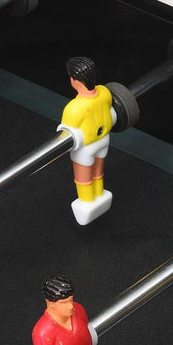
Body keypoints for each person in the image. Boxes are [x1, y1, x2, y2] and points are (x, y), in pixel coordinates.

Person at [56, 56, 115, 225]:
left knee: (83, 178)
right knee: (98, 172)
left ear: (74, 80)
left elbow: (65, 135)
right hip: (103, 141)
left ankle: (88, 202)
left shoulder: (74, 108)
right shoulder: (104, 92)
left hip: (85, 148)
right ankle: (99, 195)